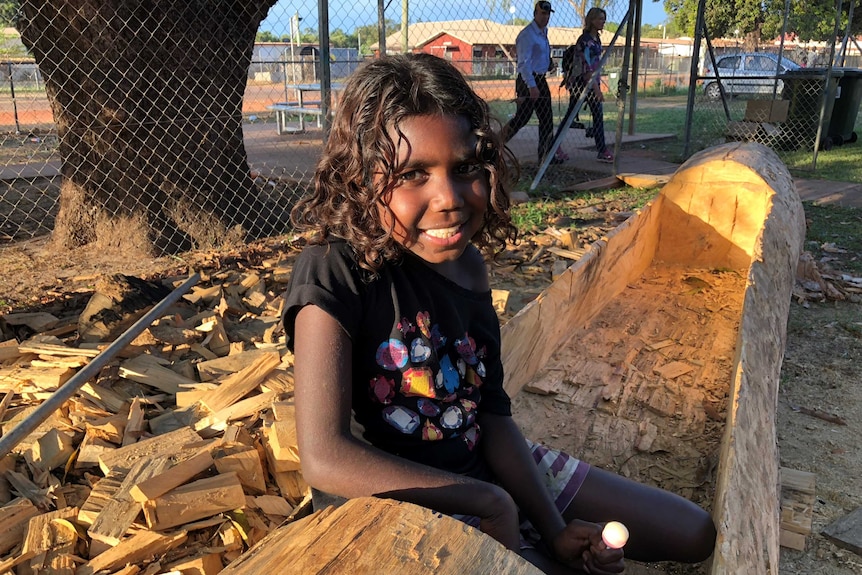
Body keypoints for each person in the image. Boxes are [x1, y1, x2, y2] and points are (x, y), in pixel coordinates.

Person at [282, 52, 717, 574]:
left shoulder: (467, 269)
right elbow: (325, 457)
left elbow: (490, 412)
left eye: (464, 168)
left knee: (693, 533)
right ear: (360, 180)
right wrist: (489, 503)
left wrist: (553, 528)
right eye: (413, 174)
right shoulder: (335, 272)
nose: (448, 198)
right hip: (395, 507)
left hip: (482, 472)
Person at [501, 1, 568, 165]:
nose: (545, 17)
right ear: (535, 14)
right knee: (522, 118)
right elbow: (523, 63)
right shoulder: (527, 35)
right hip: (527, 80)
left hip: (540, 78)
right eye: (542, 14)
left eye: (548, 14)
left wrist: (548, 63)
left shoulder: (543, 32)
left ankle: (545, 156)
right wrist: (532, 86)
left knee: (546, 119)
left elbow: (539, 56)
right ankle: (495, 146)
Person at [555, 7, 614, 163]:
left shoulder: (596, 39)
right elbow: (587, 69)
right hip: (583, 83)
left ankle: (601, 149)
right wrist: (596, 90)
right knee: (572, 115)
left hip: (593, 82)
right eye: (600, 18)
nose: (603, 22)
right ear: (592, 20)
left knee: (596, 115)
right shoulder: (585, 40)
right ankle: (555, 145)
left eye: (604, 19)